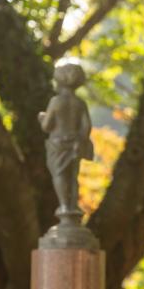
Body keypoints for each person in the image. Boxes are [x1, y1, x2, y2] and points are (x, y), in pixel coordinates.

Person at [39, 63, 94, 218]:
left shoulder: (56, 102)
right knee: (72, 176)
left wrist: (42, 117)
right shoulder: (80, 103)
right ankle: (73, 205)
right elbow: (86, 126)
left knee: (59, 174)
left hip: (58, 144)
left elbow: (47, 125)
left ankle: (64, 205)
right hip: (75, 144)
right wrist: (79, 140)